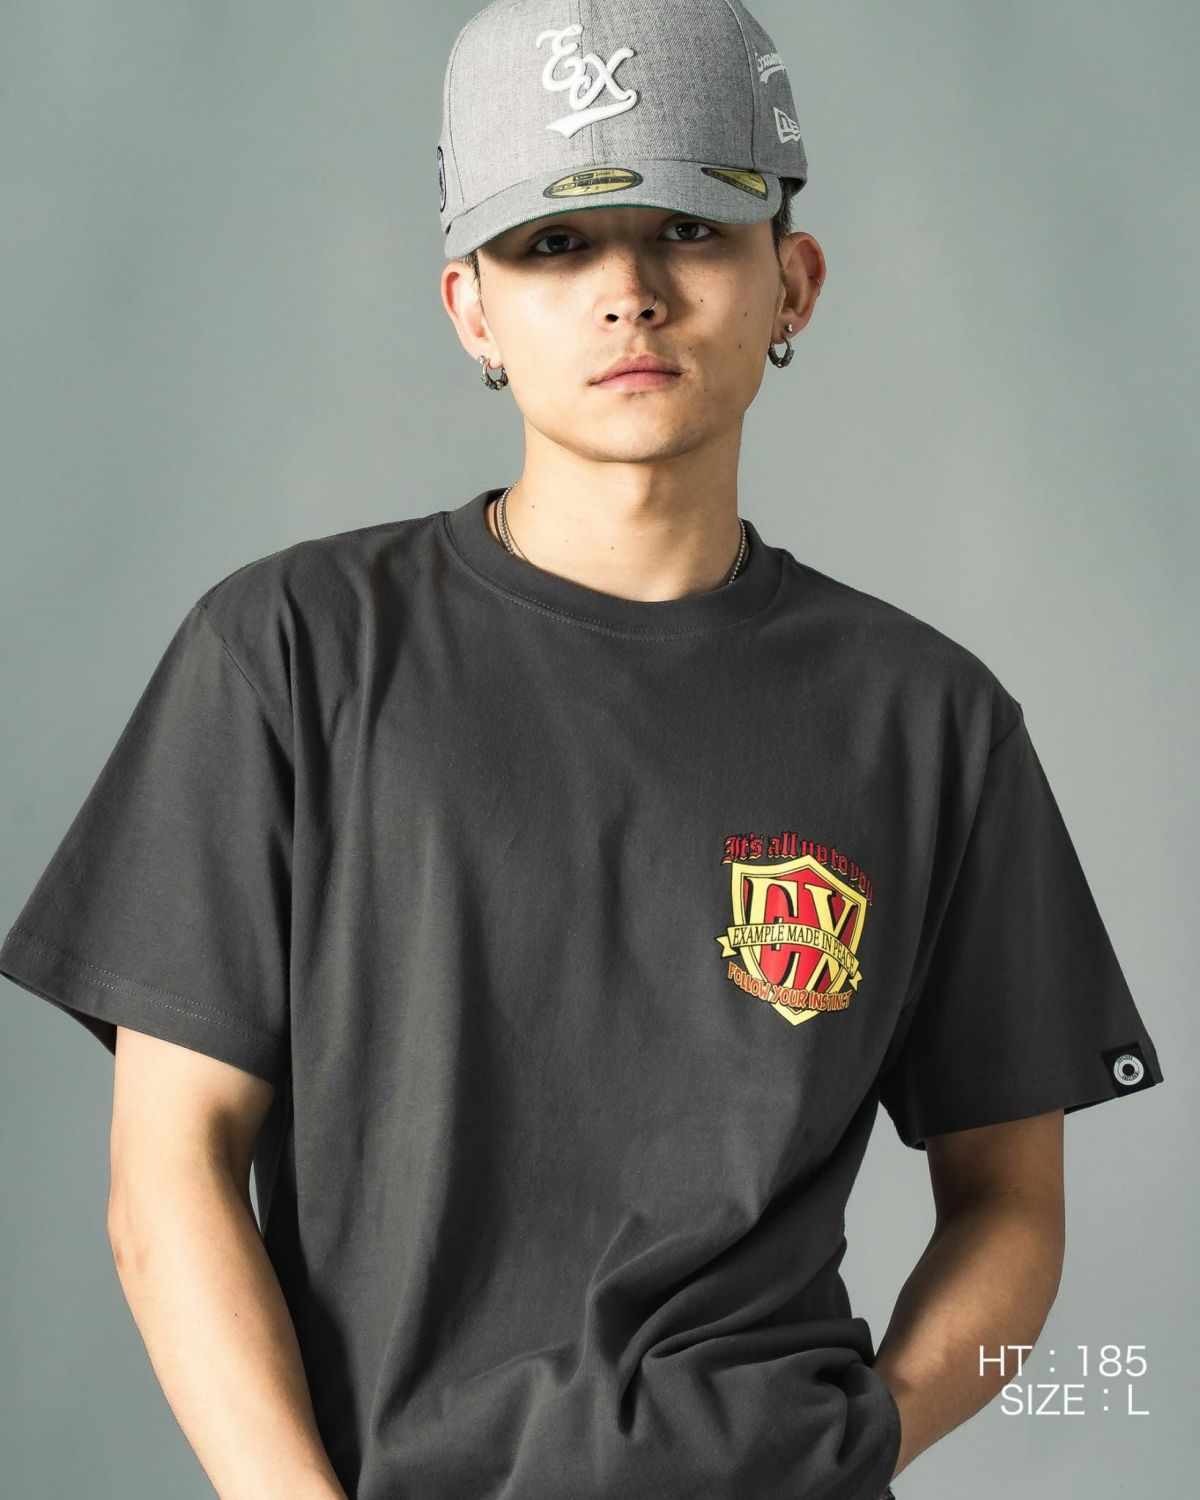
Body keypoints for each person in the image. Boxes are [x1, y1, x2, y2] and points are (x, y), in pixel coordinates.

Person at [0, 2, 1163, 1497]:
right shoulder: (288, 655)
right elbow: (166, 1185)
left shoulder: (931, 720)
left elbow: (1014, 1205)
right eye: (554, 245)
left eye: (689, 229)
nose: (629, 295)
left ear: (793, 281)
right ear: (471, 310)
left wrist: (864, 1435)